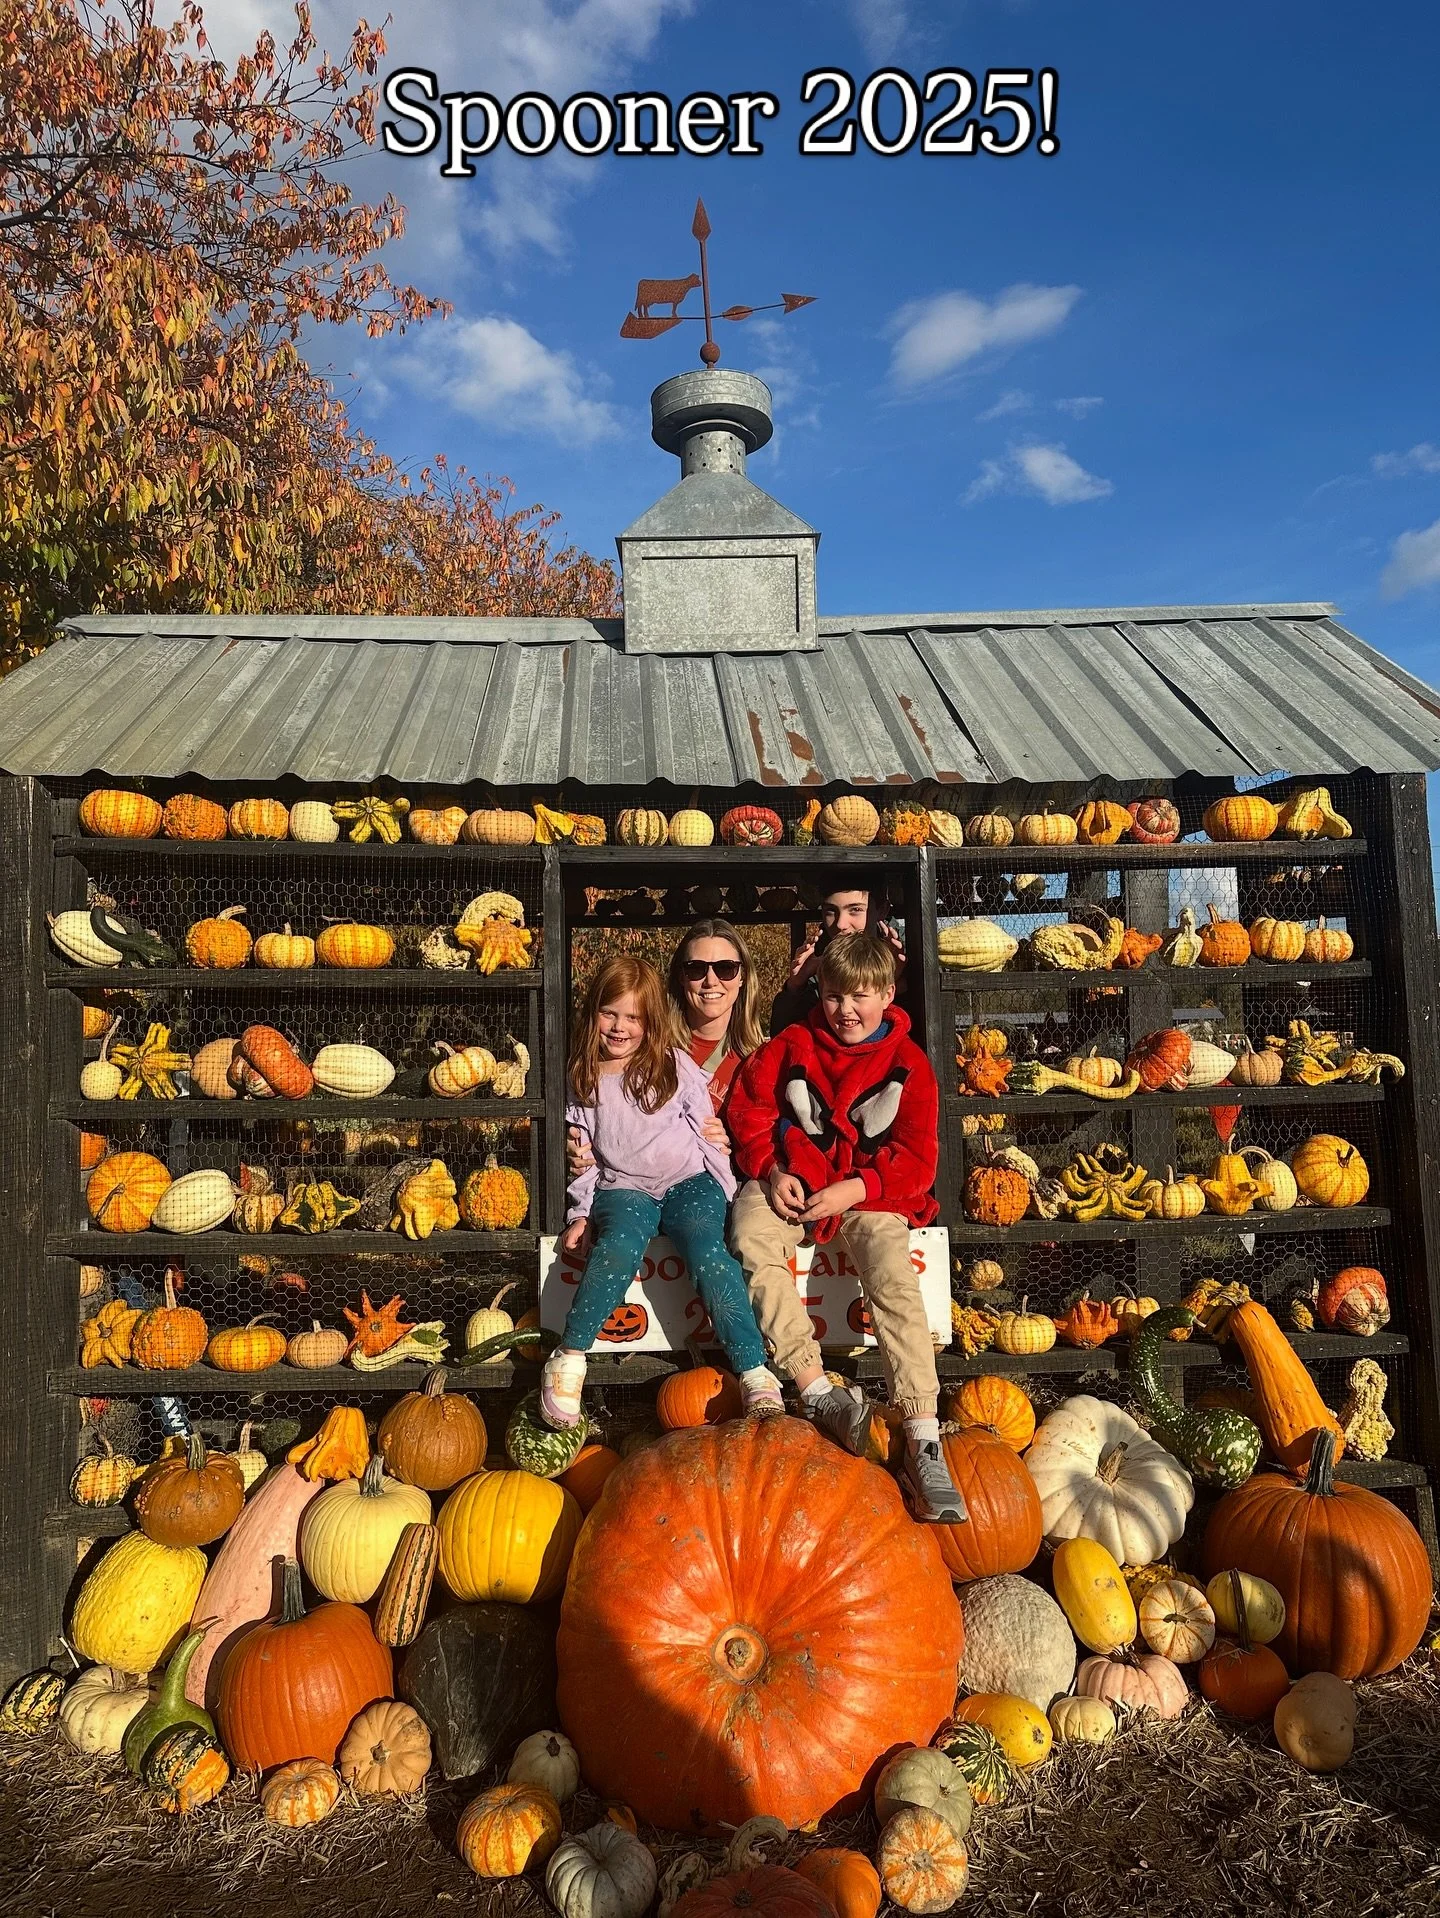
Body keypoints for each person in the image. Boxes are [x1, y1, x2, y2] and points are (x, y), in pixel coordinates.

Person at [726, 931, 967, 1523]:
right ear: (820, 992)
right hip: (797, 1183)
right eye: (834, 996)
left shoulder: (909, 1064)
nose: (846, 1010)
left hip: (869, 1194)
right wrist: (773, 1167)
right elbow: (748, 1108)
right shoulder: (793, 1043)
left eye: (860, 996)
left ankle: (921, 1431)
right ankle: (816, 1391)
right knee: (751, 1233)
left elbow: (917, 1159)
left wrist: (854, 1189)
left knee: (891, 1274)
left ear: (887, 994)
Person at [541, 954, 784, 1429]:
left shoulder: (672, 1066)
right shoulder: (583, 1079)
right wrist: (581, 1211)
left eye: (634, 1017)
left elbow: (704, 1129)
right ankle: (569, 1356)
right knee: (616, 1248)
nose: (620, 1027)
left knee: (709, 1253)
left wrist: (725, 1187)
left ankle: (754, 1370)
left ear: (650, 1023)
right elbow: (585, 1156)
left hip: (688, 1181)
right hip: (624, 1187)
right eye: (610, 1013)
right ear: (592, 1014)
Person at [769, 886, 908, 1034]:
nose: (841, 924)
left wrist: (895, 982)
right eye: (831, 911)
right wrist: (795, 987)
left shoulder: (912, 952)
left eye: (855, 910)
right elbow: (786, 1041)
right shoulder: (817, 960)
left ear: (882, 910)